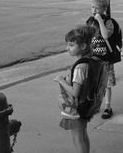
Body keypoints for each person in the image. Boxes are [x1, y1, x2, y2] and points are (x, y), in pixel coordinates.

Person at [54, 25, 96, 153]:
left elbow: (75, 92)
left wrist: (61, 80)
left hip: (76, 109)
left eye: (71, 45)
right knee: (83, 135)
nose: (67, 48)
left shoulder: (79, 67)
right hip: (86, 106)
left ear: (83, 46)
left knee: (77, 138)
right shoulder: (90, 60)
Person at [86, 0, 116, 119]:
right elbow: (88, 37)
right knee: (95, 84)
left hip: (106, 59)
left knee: (107, 84)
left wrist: (100, 21)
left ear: (103, 9)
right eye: (92, 7)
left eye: (96, 8)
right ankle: (96, 105)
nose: (93, 10)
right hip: (93, 58)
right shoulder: (89, 21)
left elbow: (106, 36)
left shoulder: (108, 21)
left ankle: (108, 106)